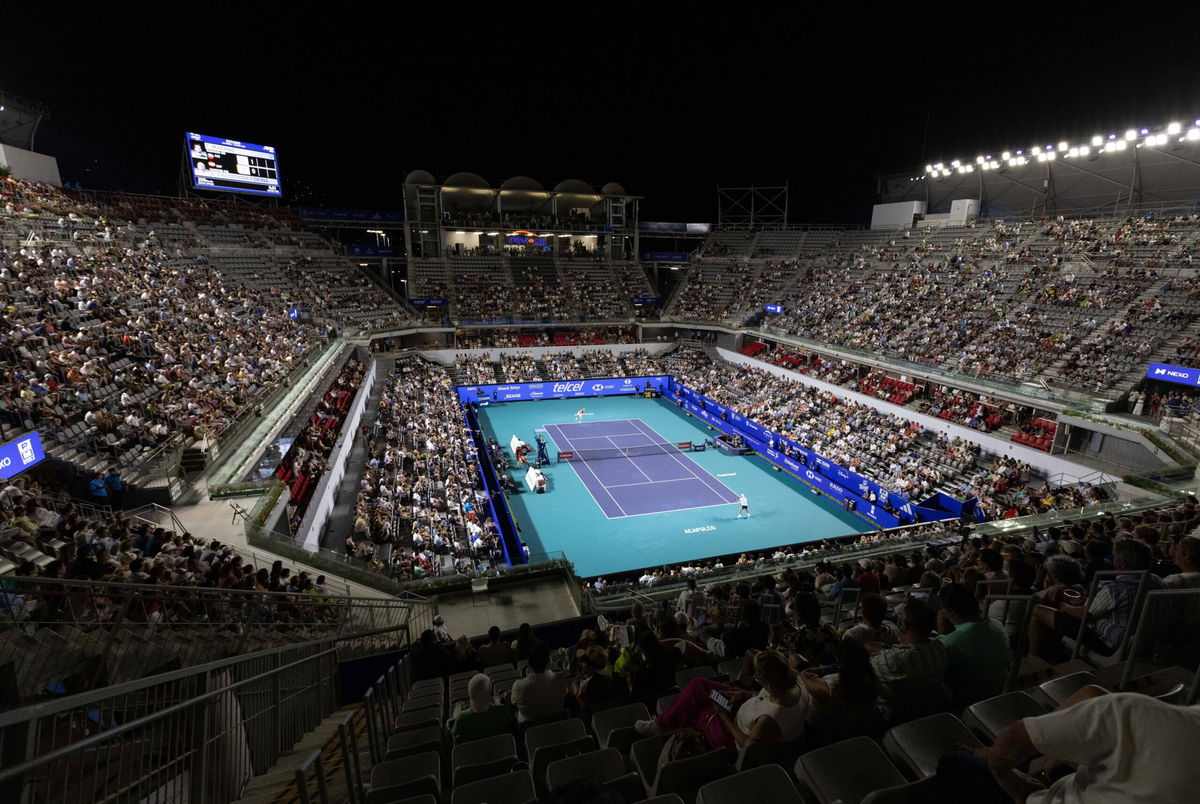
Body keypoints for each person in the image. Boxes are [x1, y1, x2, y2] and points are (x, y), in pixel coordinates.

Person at [947, 687, 1200, 803]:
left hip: (1041, 794)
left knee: (952, 762)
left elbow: (1013, 737)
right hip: (1091, 781)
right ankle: (1041, 762)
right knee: (1092, 696)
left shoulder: (1134, 712)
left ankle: (1011, 759)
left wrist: (1016, 788)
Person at [634, 649, 815, 757]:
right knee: (699, 686)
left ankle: (661, 726)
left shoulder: (770, 718)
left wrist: (722, 715)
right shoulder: (793, 681)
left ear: (767, 681)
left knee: (701, 709)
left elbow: (746, 746)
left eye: (758, 678)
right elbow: (765, 698)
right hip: (746, 705)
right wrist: (745, 694)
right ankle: (663, 723)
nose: (756, 679)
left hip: (733, 733)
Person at [935, 583, 1011, 706]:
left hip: (967, 703)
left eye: (942, 608)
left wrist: (941, 625)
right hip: (997, 693)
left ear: (953, 612)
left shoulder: (952, 642)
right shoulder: (997, 625)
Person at [511, 642, 567, 724]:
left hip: (530, 728)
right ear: (548, 660)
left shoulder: (519, 686)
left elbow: (514, 703)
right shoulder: (561, 679)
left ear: (529, 662)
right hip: (559, 725)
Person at [450, 673, 513, 742]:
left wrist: (456, 715)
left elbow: (454, 736)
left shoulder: (461, 719)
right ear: (490, 693)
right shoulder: (502, 710)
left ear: (469, 693)